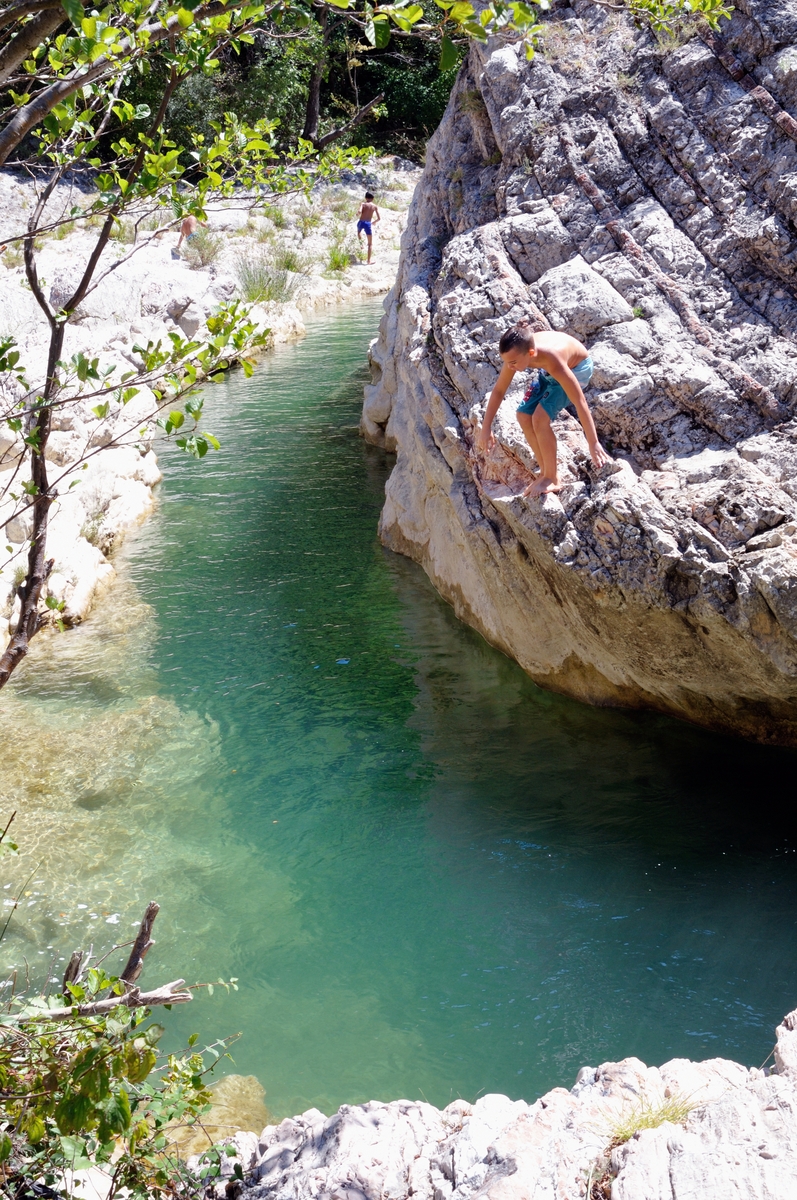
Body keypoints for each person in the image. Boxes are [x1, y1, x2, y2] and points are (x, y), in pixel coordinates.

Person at [477, 321, 611, 496]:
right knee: (523, 415)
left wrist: (593, 443)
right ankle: (545, 472)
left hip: (576, 369)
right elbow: (499, 390)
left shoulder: (551, 358)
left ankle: (553, 478)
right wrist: (486, 428)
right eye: (507, 362)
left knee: (540, 418)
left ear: (531, 353)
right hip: (547, 372)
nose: (510, 367)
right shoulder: (516, 355)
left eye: (513, 362)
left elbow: (580, 401)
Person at [356, 192, 380, 265]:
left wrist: (358, 213)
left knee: (359, 232)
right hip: (368, 223)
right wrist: (374, 222)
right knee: (370, 244)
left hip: (361, 221)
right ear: (372, 198)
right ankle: (368, 261)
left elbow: (359, 211)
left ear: (366, 198)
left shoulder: (363, 204)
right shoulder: (374, 206)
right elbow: (379, 218)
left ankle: (361, 244)